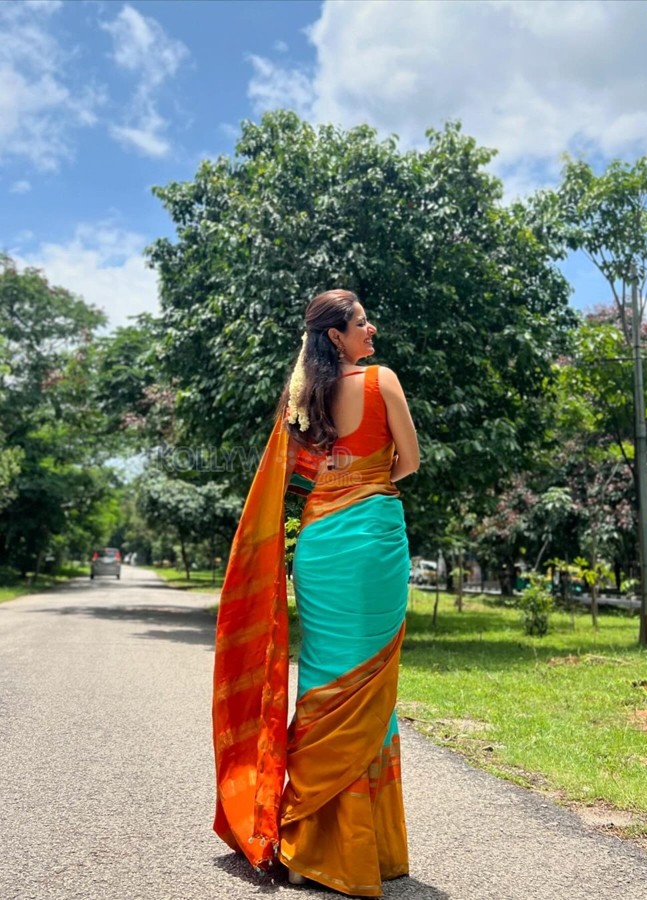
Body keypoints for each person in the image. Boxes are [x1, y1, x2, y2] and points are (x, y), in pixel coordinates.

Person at [212, 289, 420, 897]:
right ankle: (361, 850)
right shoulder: (382, 381)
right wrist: (371, 477)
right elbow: (410, 460)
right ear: (337, 335)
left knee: (324, 678)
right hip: (374, 538)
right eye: (362, 323)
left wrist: (337, 481)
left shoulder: (303, 397)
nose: (372, 329)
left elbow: (294, 476)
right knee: (369, 681)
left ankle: (306, 845)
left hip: (323, 540)